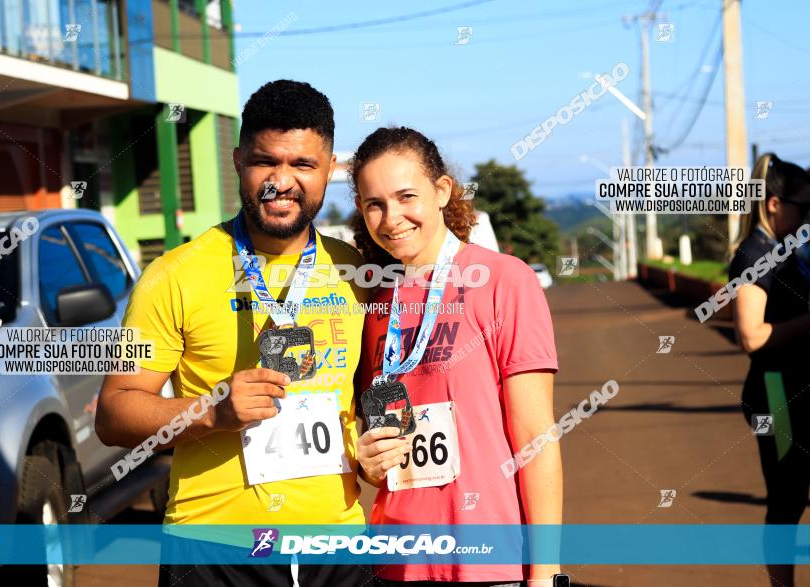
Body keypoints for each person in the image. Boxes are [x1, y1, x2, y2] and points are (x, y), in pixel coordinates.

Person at [95, 80, 372, 587]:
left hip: (339, 545)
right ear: (239, 160)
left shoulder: (356, 270)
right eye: (266, 161)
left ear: (331, 170)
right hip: (215, 548)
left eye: (303, 165)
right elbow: (114, 414)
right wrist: (213, 410)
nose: (281, 181)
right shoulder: (175, 274)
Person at [350, 126, 563, 586]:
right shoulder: (376, 305)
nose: (392, 218)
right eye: (375, 204)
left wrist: (545, 574)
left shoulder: (505, 281)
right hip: (396, 559)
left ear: (443, 191)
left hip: (489, 559)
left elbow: (536, 437)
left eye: (407, 196)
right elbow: (378, 443)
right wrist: (367, 463)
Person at [730, 153, 810, 587]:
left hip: (796, 389)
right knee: (787, 501)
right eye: (804, 207)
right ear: (775, 204)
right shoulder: (753, 255)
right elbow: (752, 336)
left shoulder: (785, 249)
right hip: (776, 393)